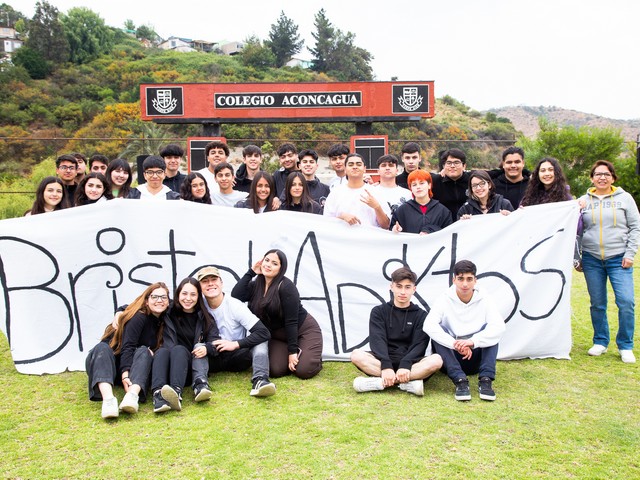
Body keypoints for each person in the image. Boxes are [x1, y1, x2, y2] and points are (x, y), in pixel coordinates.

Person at [578, 160, 640, 364]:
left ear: (613, 177)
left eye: (606, 174)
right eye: (598, 174)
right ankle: (600, 341)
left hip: (619, 258)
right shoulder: (583, 201)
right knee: (597, 303)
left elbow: (635, 227)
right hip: (591, 258)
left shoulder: (625, 198)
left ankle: (625, 345)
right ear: (591, 178)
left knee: (626, 302)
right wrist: (577, 257)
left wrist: (630, 254)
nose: (602, 177)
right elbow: (575, 231)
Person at [350, 267, 443, 396]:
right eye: (399, 286)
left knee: (436, 360)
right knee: (356, 355)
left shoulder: (421, 315)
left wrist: (406, 364)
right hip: (382, 361)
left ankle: (379, 383)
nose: (403, 292)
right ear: (392, 287)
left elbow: (420, 344)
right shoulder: (378, 311)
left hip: (411, 364)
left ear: (414, 289)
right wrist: (386, 365)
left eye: (407, 287)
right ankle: (407, 384)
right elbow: (377, 340)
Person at [232, 249, 323, 379]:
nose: (268, 265)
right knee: (275, 370)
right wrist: (251, 272)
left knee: (303, 371)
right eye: (267, 260)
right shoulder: (256, 285)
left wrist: (292, 352)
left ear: (281, 269)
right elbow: (236, 295)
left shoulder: (286, 287)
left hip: (302, 330)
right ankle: (298, 352)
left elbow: (291, 322)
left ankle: (311, 357)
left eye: (274, 263)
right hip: (277, 336)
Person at [85, 282, 170, 418]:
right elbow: (128, 346)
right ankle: (108, 400)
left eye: (163, 297)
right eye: (154, 297)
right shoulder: (139, 316)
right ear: (146, 301)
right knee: (103, 347)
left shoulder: (162, 319)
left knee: (144, 351)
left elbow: (185, 303)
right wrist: (125, 374)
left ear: (168, 301)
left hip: (129, 366)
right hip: (104, 363)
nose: (159, 300)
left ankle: (132, 396)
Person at [423, 260, 505, 402]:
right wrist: (455, 344)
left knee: (491, 331)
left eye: (469, 279)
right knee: (439, 330)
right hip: (450, 358)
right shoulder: (444, 298)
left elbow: (499, 326)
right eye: (460, 279)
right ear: (454, 280)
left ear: (475, 280)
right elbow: (428, 325)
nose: (465, 284)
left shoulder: (485, 298)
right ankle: (460, 381)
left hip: (475, 358)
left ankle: (486, 380)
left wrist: (472, 342)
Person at [196, 266, 276, 397]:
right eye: (205, 281)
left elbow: (263, 332)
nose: (210, 284)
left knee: (260, 341)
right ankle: (200, 385)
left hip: (237, 356)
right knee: (198, 346)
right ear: (199, 287)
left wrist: (235, 344)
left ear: (221, 283)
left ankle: (260, 380)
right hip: (212, 355)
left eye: (214, 279)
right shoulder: (197, 305)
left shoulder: (235, 305)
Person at [150, 278, 220, 413]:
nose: (188, 298)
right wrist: (120, 310)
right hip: (167, 365)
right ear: (178, 294)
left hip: (188, 368)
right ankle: (159, 397)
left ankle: (177, 393)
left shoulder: (205, 317)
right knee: (164, 351)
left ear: (199, 296)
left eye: (193, 294)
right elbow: (143, 304)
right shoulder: (168, 310)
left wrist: (207, 348)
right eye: (184, 293)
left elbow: (215, 342)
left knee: (179, 350)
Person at [323, 153, 391, 229]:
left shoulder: (375, 192)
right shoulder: (335, 193)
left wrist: (377, 207)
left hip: (370, 236)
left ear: (364, 169)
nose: (355, 167)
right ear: (345, 169)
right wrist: (341, 217)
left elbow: (386, 225)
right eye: (351, 164)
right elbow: (327, 223)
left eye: (358, 164)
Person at [390, 170, 452, 234]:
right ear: (410, 188)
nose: (418, 187)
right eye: (414, 185)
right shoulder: (402, 211)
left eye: (421, 183)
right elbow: (392, 230)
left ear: (429, 185)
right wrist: (394, 229)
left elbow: (449, 233)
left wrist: (431, 229)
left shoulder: (442, 211)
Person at [430, 148, 471, 219]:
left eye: (456, 163)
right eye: (448, 163)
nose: (452, 166)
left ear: (464, 166)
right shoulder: (435, 182)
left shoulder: (472, 180)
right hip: (443, 223)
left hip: (468, 222)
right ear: (443, 166)